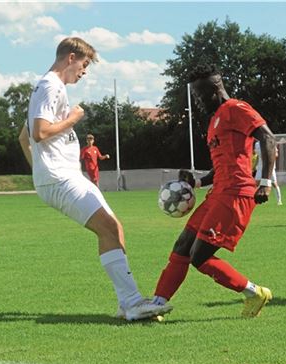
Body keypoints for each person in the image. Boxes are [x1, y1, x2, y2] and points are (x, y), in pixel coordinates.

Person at [18, 37, 171, 321]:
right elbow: (39, 133)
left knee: (115, 228)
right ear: (71, 57)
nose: (84, 72)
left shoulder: (51, 87)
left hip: (61, 176)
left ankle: (128, 303)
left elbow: (24, 137)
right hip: (60, 178)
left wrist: (40, 171)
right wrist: (73, 118)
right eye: (84, 64)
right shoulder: (50, 86)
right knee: (109, 228)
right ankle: (132, 303)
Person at [151, 64, 275, 318]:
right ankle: (156, 305)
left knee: (199, 256)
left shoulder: (236, 109)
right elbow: (222, 166)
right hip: (218, 192)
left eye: (199, 94)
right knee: (182, 245)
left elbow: (268, 138)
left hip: (236, 194)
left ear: (216, 88)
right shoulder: (215, 121)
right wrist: (197, 182)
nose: (196, 100)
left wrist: (265, 182)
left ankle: (255, 292)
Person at [254, 140, 282, 205]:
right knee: (256, 183)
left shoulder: (271, 142)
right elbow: (257, 155)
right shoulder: (257, 144)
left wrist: (270, 154)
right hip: (260, 167)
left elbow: (276, 154)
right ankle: (258, 200)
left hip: (270, 167)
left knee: (274, 184)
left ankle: (279, 200)